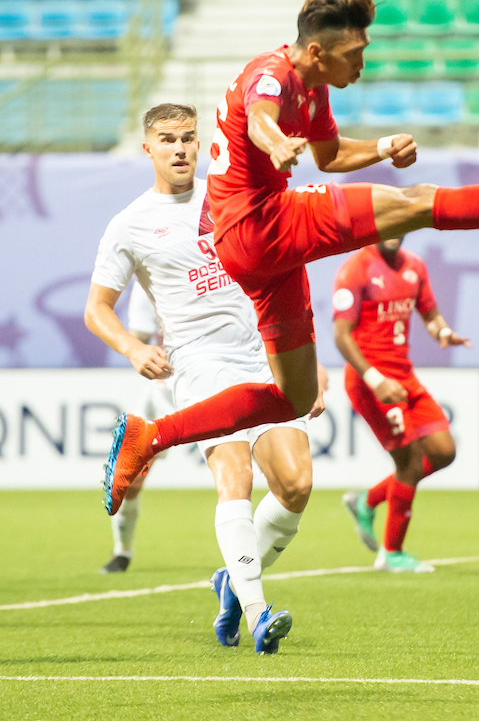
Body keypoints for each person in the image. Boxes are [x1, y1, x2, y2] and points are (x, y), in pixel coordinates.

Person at [102, 0, 479, 517]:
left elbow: (327, 156)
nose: (363, 63)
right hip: (261, 224)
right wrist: (276, 142)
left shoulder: (312, 86)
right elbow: (261, 115)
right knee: (422, 203)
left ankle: (151, 437)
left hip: (254, 248)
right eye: (355, 54)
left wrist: (379, 147)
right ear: (316, 51)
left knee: (294, 399)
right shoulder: (273, 74)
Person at [85, 103, 327, 655]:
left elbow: (286, 267)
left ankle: (230, 580)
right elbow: (96, 308)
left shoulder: (230, 195)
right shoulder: (129, 224)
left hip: (264, 356)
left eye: (189, 138)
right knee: (234, 475)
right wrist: (130, 346)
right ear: (147, 148)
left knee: (296, 484)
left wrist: (310, 361)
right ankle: (257, 609)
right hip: (199, 363)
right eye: (167, 139)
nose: (180, 149)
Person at [333, 236, 469, 574]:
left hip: (404, 377)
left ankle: (367, 499)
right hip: (371, 381)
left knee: (442, 451)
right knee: (408, 462)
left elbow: (431, 315)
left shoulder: (415, 266)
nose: (394, 229)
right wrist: (375, 380)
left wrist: (443, 332)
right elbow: (341, 336)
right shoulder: (356, 268)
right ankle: (391, 553)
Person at [99, 282, 180, 574]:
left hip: (211, 384)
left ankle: (247, 563)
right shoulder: (148, 283)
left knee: (233, 469)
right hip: (164, 392)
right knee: (130, 475)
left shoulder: (213, 267)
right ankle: (122, 552)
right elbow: (139, 339)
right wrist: (151, 357)